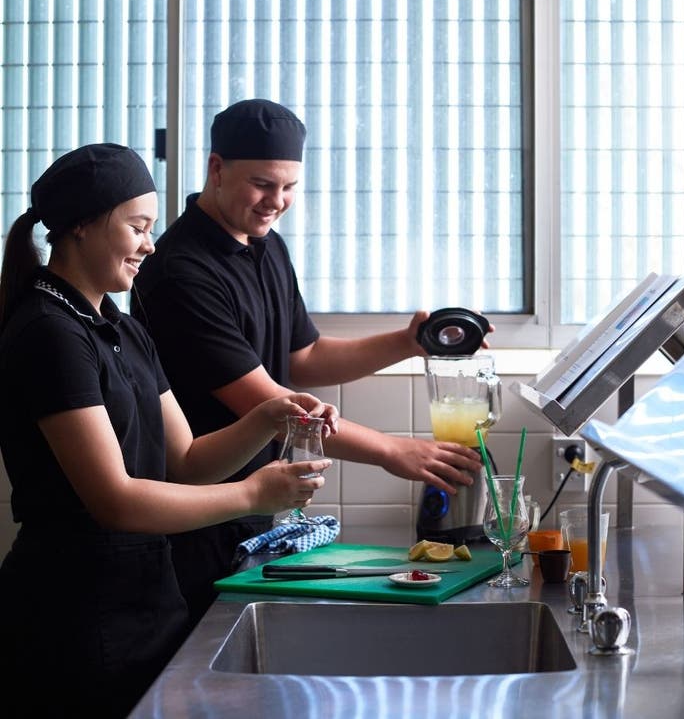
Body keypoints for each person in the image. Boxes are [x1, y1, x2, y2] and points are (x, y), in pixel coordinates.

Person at [0, 143, 337, 718]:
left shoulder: (120, 327)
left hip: (148, 601)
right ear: (81, 225)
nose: (151, 245)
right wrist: (254, 495)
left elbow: (185, 459)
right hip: (70, 615)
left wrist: (267, 417)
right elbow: (116, 501)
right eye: (137, 227)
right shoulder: (49, 333)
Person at [132, 98, 491, 628]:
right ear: (216, 169)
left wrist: (411, 341)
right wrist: (392, 450)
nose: (275, 201)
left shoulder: (266, 246)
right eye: (262, 184)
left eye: (289, 187)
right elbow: (269, 404)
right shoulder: (181, 272)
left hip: (251, 514)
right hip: (196, 518)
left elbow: (305, 357)